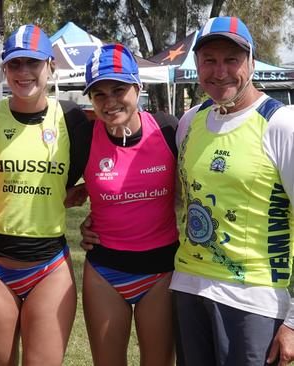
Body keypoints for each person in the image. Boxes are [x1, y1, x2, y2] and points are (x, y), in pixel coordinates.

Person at [170, 16, 294, 366]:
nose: (219, 71)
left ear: (251, 62)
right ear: (197, 65)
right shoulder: (190, 121)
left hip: (253, 301)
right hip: (189, 289)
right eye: (209, 60)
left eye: (231, 59)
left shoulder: (281, 123)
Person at [0, 25, 90, 365]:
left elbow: (105, 168)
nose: (24, 73)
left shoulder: (71, 118)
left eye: (32, 63)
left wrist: (88, 199)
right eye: (15, 64)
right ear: (4, 69)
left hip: (49, 268)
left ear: (50, 66)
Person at [79, 44, 180, 365]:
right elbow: (54, 189)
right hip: (105, 271)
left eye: (118, 89)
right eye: (99, 94)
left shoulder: (168, 129)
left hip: (161, 271)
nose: (109, 102)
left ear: (138, 87)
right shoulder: (83, 136)